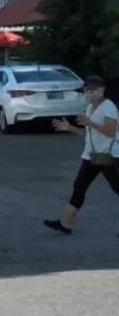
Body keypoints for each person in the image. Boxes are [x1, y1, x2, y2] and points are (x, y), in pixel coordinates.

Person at [43, 74, 119, 234]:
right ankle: (64, 224)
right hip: (92, 155)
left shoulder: (108, 106)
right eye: (87, 90)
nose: (90, 93)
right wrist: (70, 128)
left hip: (108, 155)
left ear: (102, 89)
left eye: (93, 89)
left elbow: (111, 131)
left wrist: (90, 123)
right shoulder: (90, 107)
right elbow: (89, 133)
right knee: (79, 187)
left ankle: (65, 223)